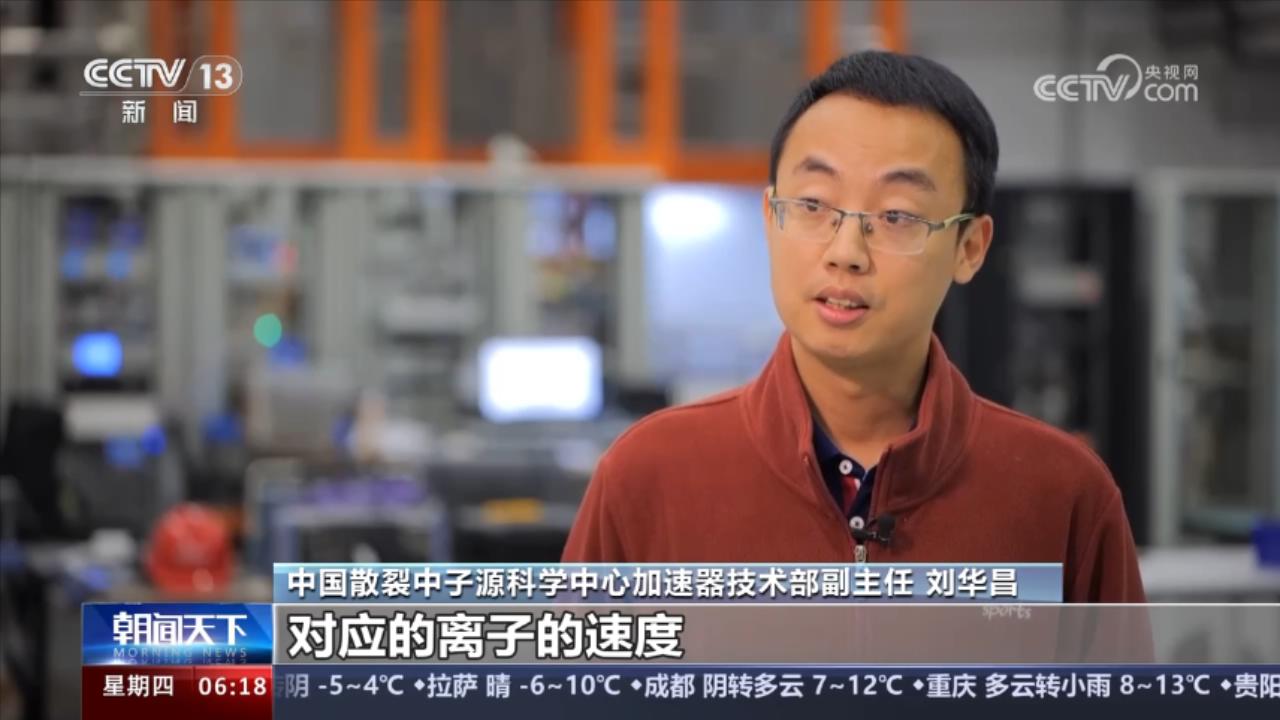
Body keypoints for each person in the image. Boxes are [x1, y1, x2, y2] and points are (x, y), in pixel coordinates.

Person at [562, 51, 1145, 603]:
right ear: (771, 217)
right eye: (814, 205)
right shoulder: (648, 476)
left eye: (896, 216)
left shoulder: (1063, 495)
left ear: (970, 247)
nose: (846, 252)